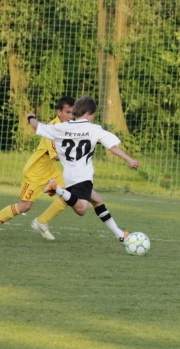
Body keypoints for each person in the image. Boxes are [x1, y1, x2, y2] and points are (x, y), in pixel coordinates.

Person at [24, 95, 139, 245]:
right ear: (90, 113)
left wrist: (30, 117)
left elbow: (37, 126)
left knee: (97, 201)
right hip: (82, 176)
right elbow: (112, 146)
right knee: (82, 209)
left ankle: (120, 235)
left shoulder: (62, 127)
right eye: (94, 115)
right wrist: (129, 160)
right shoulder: (94, 129)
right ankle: (57, 190)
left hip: (69, 175)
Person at [0, 96, 75, 240]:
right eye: (68, 112)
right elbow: (56, 156)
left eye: (73, 113)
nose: (70, 116)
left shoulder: (67, 127)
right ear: (59, 112)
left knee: (70, 194)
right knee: (25, 206)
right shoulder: (53, 128)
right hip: (34, 173)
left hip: (50, 171)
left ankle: (41, 222)